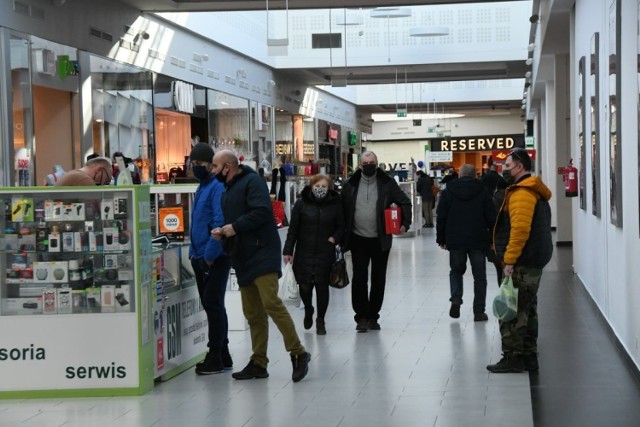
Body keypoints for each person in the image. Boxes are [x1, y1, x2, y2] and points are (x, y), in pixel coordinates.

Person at [210, 149, 311, 383]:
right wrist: (224, 233)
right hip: (242, 254)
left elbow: (262, 212)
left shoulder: (251, 181)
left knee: (271, 304)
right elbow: (236, 219)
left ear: (228, 166)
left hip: (262, 252)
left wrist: (234, 227)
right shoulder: (229, 188)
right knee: (253, 312)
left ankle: (298, 353)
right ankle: (258, 362)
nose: (213, 171)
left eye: (215, 167)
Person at [487, 148, 553, 373]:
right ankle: (529, 356)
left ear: (520, 167)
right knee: (528, 308)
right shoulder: (532, 191)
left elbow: (520, 230)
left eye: (507, 165)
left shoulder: (522, 193)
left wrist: (509, 260)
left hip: (524, 260)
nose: (503, 168)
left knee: (512, 309)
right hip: (534, 258)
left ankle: (513, 358)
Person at [341, 151, 412, 332]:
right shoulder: (350, 184)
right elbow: (341, 209)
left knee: (378, 279)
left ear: (377, 163)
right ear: (360, 165)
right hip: (357, 238)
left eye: (371, 162)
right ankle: (361, 317)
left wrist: (405, 223)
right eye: (365, 163)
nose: (368, 165)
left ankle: (374, 316)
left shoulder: (387, 183)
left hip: (380, 238)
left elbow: (405, 202)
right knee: (359, 278)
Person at [187, 143, 233, 375]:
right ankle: (223, 352)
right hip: (200, 254)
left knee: (213, 305)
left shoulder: (216, 187)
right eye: (193, 164)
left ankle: (215, 354)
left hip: (213, 256)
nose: (195, 167)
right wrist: (193, 251)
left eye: (200, 164)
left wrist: (210, 255)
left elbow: (219, 220)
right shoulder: (201, 187)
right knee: (212, 304)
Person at [283, 174, 345, 335]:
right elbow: (293, 229)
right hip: (304, 250)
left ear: (329, 188)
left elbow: (342, 226)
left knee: (322, 286)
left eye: (324, 186)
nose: (320, 189)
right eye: (317, 186)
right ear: (311, 186)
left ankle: (321, 320)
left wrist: (334, 238)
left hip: (325, 251)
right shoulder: (301, 204)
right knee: (305, 286)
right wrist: (288, 250)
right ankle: (309, 309)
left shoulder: (336, 204)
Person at [436, 164, 496, 322]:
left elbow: (441, 215)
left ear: (459, 175)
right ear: (475, 176)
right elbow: (491, 216)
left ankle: (456, 299)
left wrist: (440, 238)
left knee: (456, 271)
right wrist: (492, 239)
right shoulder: (483, 191)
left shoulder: (449, 190)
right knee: (480, 277)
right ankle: (479, 312)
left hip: (455, 240)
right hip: (478, 239)